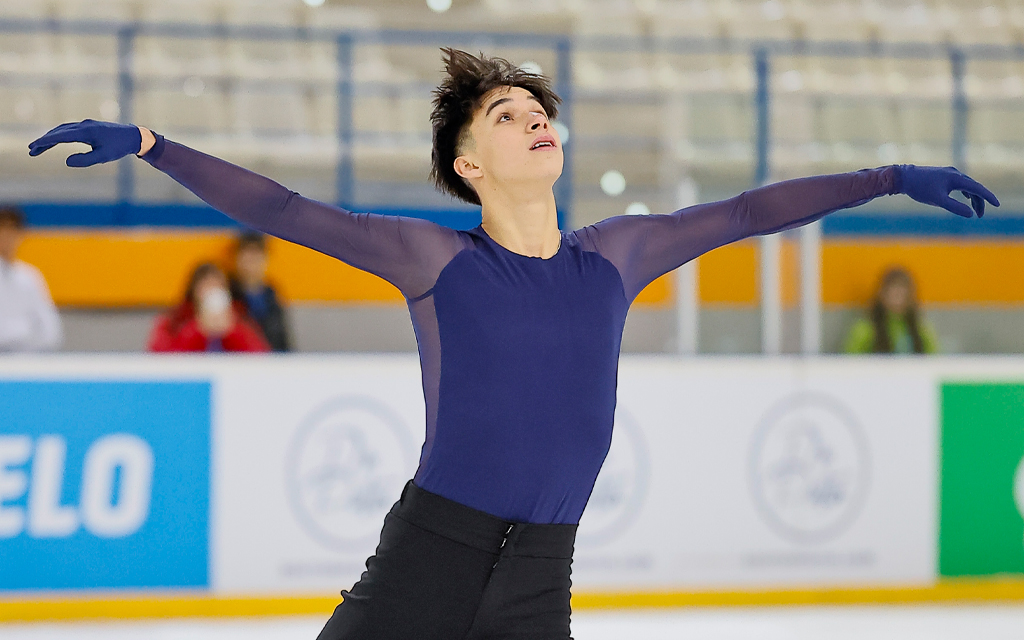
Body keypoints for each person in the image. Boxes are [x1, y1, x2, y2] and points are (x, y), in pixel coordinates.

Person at [29, 48, 998, 639]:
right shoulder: (434, 261)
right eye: (507, 117)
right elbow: (284, 209)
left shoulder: (619, 254)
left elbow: (746, 209)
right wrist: (155, 144)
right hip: (423, 569)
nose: (535, 122)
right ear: (467, 164)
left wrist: (885, 175)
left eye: (540, 113)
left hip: (540, 578)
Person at [148, 261, 270, 353]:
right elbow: (161, 362)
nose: (211, 290)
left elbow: (261, 359)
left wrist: (232, 331)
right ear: (193, 290)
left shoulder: (242, 319)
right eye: (205, 285)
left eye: (217, 285)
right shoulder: (173, 322)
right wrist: (197, 330)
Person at [0, 206, 62, 352]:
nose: (7, 236)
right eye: (3, 229)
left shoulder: (30, 276)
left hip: (27, 361)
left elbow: (51, 329)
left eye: (12, 230)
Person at [845, 267, 938, 354]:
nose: (897, 299)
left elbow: (936, 362)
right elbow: (848, 364)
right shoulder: (866, 329)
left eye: (902, 293)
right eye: (893, 292)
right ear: (882, 295)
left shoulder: (921, 329)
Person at [229, 230, 291, 352]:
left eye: (256, 255)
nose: (251, 261)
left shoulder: (271, 295)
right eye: (247, 254)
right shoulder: (228, 293)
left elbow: (281, 338)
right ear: (237, 257)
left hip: (271, 362)